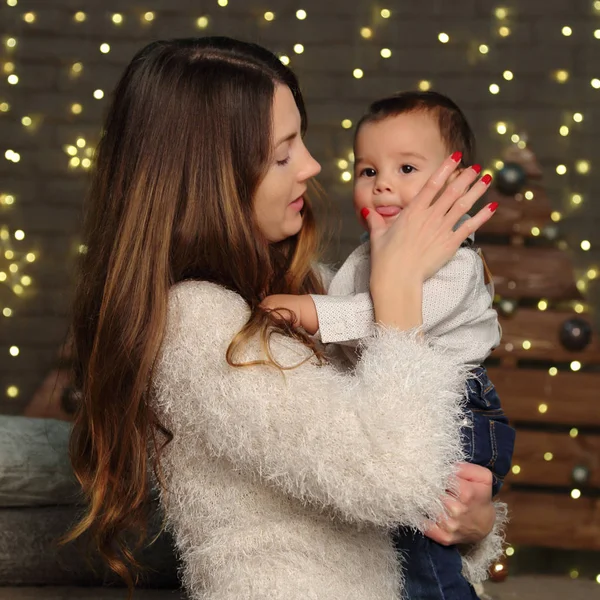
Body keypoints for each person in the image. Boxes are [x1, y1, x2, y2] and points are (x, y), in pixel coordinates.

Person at [64, 37, 507, 600]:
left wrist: (474, 523)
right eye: (282, 153)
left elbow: (427, 460)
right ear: (211, 177)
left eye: (301, 140)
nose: (314, 166)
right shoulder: (194, 322)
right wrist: (397, 293)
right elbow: (395, 474)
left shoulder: (307, 288)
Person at [263, 90, 516, 599]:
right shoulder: (362, 256)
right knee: (389, 540)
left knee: (420, 548)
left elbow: (379, 320)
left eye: (406, 168)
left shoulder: (456, 263)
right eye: (367, 171)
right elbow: (347, 337)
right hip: (402, 402)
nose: (382, 187)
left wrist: (307, 312)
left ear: (455, 182)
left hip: (459, 407)